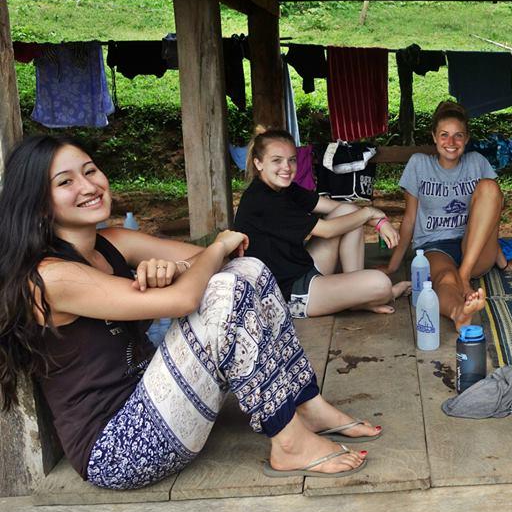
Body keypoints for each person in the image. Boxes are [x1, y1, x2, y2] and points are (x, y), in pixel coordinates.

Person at [0, 135, 382, 489]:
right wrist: (214, 248)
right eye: (64, 182)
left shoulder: (113, 242)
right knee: (225, 287)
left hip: (161, 401)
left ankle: (307, 404)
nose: (87, 186)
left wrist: (179, 268)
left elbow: (237, 258)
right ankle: (290, 443)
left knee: (249, 271)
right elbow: (189, 294)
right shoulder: (48, 278)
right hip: (119, 447)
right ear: (38, 201)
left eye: (89, 171)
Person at [235, 129, 410, 319]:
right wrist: (371, 212)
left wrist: (379, 219)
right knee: (381, 284)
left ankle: (358, 297)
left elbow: (339, 208)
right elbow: (327, 231)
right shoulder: (262, 200)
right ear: (258, 163)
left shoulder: (284, 189)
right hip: (286, 294)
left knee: (348, 211)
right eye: (276, 160)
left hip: (301, 268)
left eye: (292, 160)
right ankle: (366, 295)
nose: (286, 167)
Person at [384, 100, 509, 330]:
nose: (451, 142)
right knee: (445, 280)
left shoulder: (477, 163)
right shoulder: (419, 164)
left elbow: (490, 216)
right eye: (444, 135)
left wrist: (503, 262)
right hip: (436, 246)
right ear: (434, 136)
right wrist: (393, 266)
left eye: (458, 136)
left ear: (467, 139)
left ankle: (464, 274)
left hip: (475, 247)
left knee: (491, 188)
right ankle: (459, 312)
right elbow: (410, 218)